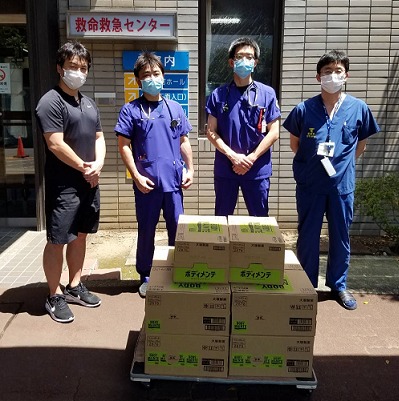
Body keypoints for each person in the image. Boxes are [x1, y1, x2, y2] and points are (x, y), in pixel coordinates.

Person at [283, 50, 380, 310]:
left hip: (341, 187)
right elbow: (295, 144)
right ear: (318, 77)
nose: (332, 76)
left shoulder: (359, 108)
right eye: (327, 72)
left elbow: (361, 145)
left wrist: (341, 166)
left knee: (340, 235)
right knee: (308, 235)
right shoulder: (304, 109)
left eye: (338, 71)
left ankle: (339, 285)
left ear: (346, 76)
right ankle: (306, 284)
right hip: (310, 185)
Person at [35, 41, 106, 323]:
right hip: (63, 185)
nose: (78, 72)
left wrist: (98, 164)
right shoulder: (50, 102)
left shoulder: (88, 103)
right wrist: (84, 167)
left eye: (83, 67)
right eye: (72, 66)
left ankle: (75, 285)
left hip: (89, 182)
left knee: (81, 235)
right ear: (59, 68)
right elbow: (55, 143)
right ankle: (54, 294)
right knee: (58, 240)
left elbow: (99, 137)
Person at [114, 52, 194, 298]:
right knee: (146, 230)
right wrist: (136, 177)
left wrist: (190, 169)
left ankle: (176, 271)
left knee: (177, 230)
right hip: (146, 183)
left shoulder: (174, 108)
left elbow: (183, 141)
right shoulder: (131, 110)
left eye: (156, 73)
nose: (152, 78)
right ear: (138, 80)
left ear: (163, 76)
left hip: (173, 182)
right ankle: (146, 275)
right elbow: (123, 146)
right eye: (146, 75)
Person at [205, 37, 281, 217]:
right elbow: (210, 131)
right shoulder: (218, 95)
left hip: (257, 168)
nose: (244, 61)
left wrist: (251, 158)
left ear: (255, 63)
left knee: (260, 219)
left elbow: (274, 132)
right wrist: (233, 156)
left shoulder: (267, 93)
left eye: (249, 57)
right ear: (231, 62)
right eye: (239, 57)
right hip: (226, 167)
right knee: (222, 218)